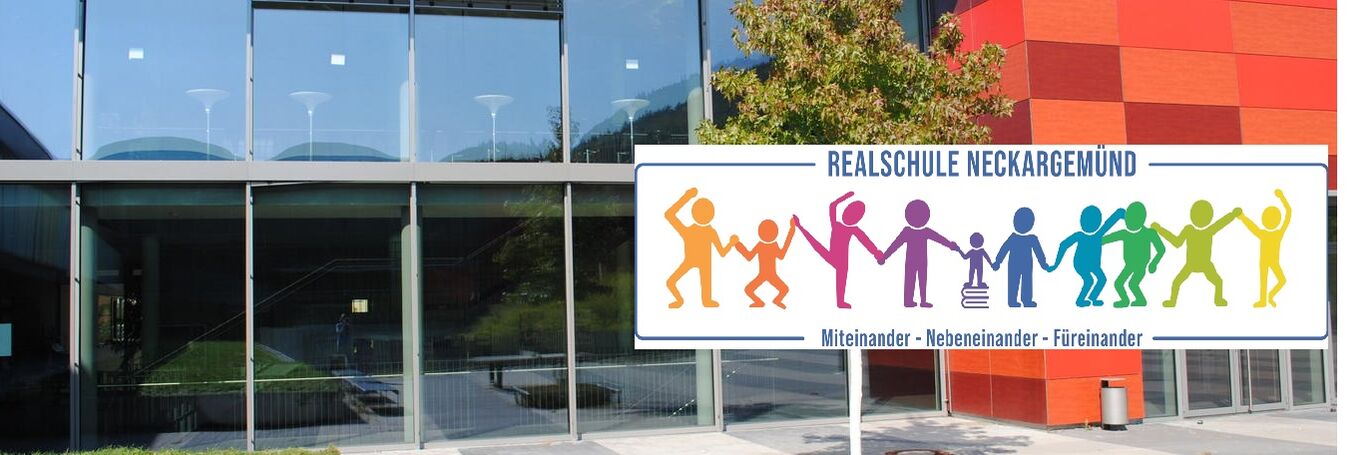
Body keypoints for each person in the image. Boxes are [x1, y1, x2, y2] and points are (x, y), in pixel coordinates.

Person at [794, 191, 884, 309]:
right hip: (839, 260)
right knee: (816, 244)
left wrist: (846, 197)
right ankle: (840, 302)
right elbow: (866, 242)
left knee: (815, 244)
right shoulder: (845, 227)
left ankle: (840, 302)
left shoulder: (840, 226)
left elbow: (833, 206)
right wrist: (876, 253)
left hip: (836, 258)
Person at [1151, 200, 1241, 307]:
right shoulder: (1195, 230)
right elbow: (1177, 242)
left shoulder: (1200, 230)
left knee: (1217, 282)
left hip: (1203, 264)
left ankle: (1217, 300)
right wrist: (1160, 229)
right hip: (1193, 264)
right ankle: (1173, 301)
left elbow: (1222, 222)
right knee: (1179, 282)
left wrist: (1233, 214)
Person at [664, 187, 738, 308]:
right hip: (695, 261)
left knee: (671, 283)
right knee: (671, 282)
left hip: (703, 263)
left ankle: (682, 300)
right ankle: (680, 301)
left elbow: (669, 214)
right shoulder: (700, 231)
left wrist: (687, 196)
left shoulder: (693, 231)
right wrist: (731, 243)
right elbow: (722, 252)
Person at [880, 200, 958, 308]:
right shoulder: (924, 231)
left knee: (911, 279)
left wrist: (884, 257)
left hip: (912, 260)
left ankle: (910, 301)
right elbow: (940, 239)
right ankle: (920, 301)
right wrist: (950, 245)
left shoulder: (908, 232)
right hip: (921, 260)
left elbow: (894, 245)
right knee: (921, 279)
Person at [1047, 206, 1125, 307]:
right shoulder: (1086, 235)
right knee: (1089, 280)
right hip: (1081, 265)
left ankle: (1092, 298)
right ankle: (1080, 300)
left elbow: (1111, 221)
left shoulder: (1094, 235)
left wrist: (1122, 215)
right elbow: (1063, 245)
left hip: (1094, 265)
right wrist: (1055, 264)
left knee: (1102, 279)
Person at [1102, 202, 1165, 308]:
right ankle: (1125, 300)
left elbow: (1161, 249)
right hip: (1129, 265)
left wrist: (1154, 263)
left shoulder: (1150, 233)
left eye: (1131, 219)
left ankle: (1141, 300)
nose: (1128, 222)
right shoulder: (1124, 233)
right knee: (1118, 283)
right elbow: (1103, 240)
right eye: (1127, 218)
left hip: (1141, 266)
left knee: (1132, 284)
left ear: (1141, 220)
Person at [1238, 189, 1291, 308]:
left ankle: (1269, 296)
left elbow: (1288, 213)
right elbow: (1288, 213)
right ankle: (1263, 300)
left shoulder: (1274, 234)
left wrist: (1243, 217)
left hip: (1272, 261)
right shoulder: (1272, 234)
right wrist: (1242, 217)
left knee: (1281, 280)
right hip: (1265, 261)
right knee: (1266, 281)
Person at [735, 216, 798, 308]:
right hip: (763, 275)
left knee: (784, 289)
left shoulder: (767, 246)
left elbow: (749, 256)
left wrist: (738, 245)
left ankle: (776, 300)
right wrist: (738, 245)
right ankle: (761, 302)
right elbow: (749, 256)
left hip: (771, 275)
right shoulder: (762, 245)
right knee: (748, 290)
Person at [992, 207, 1050, 308]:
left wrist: (998, 262)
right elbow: (1039, 253)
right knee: (1025, 282)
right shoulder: (1031, 239)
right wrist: (1043, 264)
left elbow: (1003, 250)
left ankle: (1016, 301)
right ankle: (1023, 301)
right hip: (1024, 264)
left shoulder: (1015, 238)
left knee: (1017, 281)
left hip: (1016, 264)